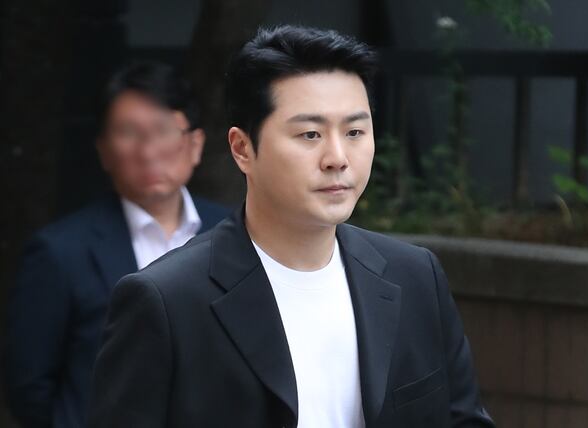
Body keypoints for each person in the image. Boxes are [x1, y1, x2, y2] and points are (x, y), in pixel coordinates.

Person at [89, 27, 494, 428]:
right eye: (310, 134)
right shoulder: (166, 300)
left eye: (354, 132)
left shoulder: (416, 275)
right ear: (242, 148)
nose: (337, 157)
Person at [4, 61, 229, 428]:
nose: (148, 150)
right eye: (128, 132)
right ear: (104, 151)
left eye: (163, 129)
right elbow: (29, 387)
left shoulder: (235, 234)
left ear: (195, 144)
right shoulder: (59, 252)